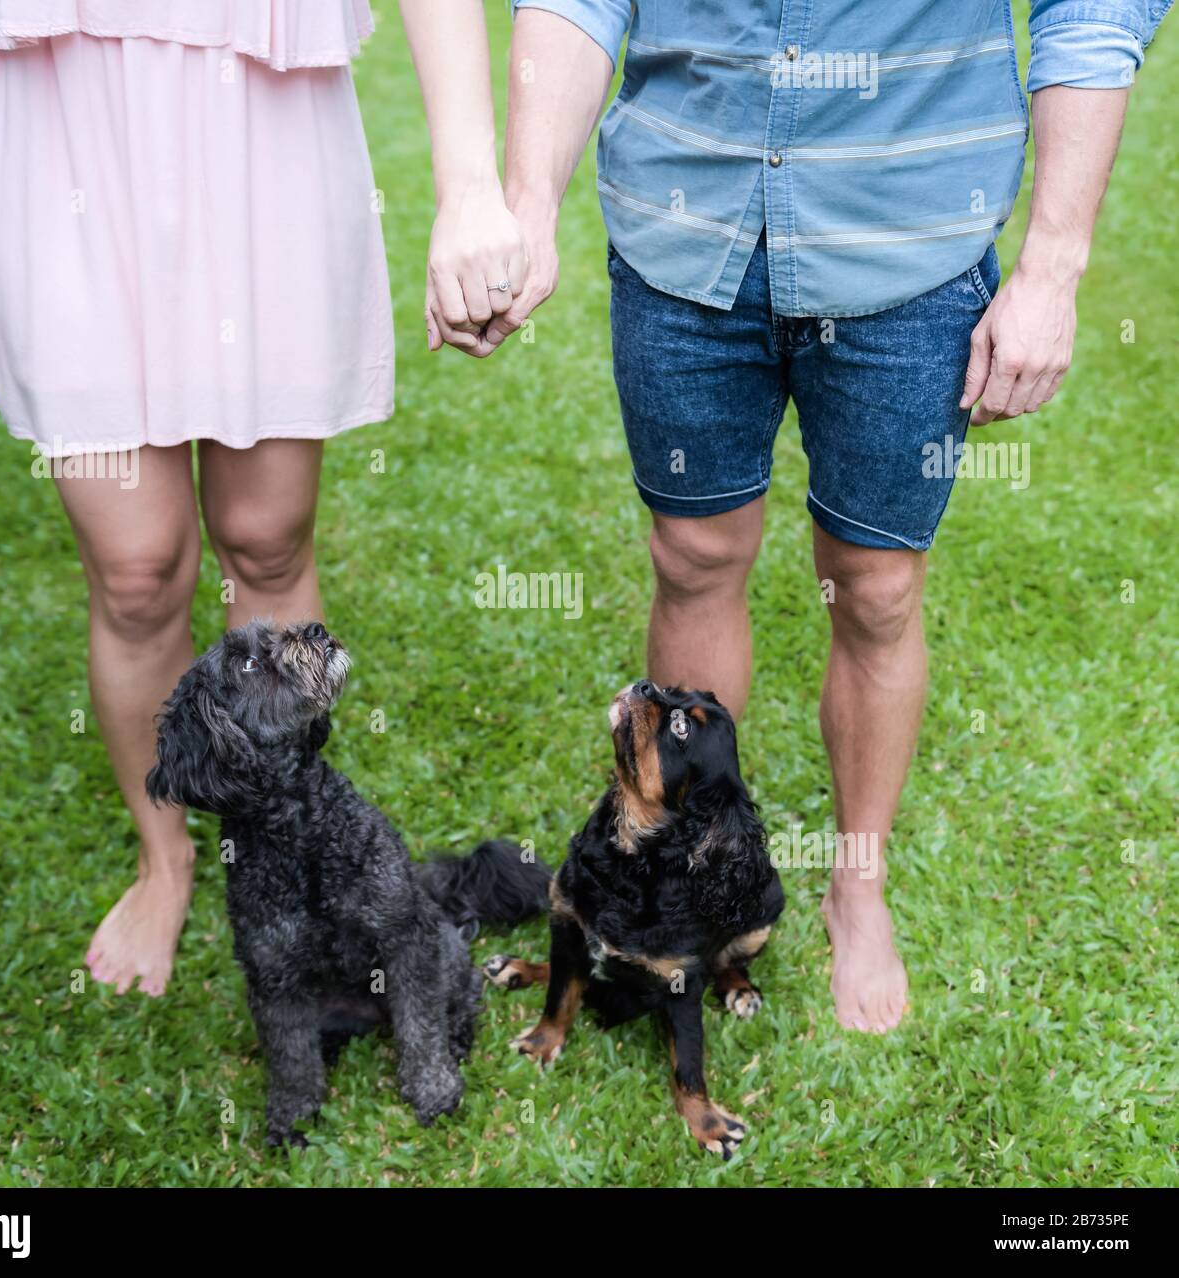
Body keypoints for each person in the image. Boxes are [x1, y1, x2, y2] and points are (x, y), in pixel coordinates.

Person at [468, 0, 1167, 1032]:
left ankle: (859, 883)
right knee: (694, 554)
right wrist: (527, 201)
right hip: (683, 225)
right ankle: (676, 874)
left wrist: (1053, 265)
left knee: (876, 586)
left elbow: (1091, 10)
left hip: (909, 244)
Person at [0, 0, 524, 995]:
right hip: (54, 116)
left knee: (267, 538)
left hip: (261, 110)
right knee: (135, 569)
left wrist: (468, 187)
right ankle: (166, 859)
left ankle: (276, 848)